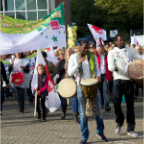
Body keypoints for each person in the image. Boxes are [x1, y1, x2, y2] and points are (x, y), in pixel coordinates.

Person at [68, 40, 108, 144]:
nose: (86, 50)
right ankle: (84, 136)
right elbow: (69, 72)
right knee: (82, 114)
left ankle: (100, 132)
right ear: (79, 47)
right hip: (81, 86)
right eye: (84, 48)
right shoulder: (74, 57)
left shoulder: (92, 56)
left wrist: (98, 76)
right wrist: (78, 63)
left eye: (88, 48)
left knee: (99, 111)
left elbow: (97, 69)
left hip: (94, 86)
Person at [108, 33, 142, 137]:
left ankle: (131, 129)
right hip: (118, 80)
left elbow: (139, 60)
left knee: (130, 106)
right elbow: (110, 66)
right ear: (116, 42)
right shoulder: (112, 52)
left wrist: (135, 67)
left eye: (123, 40)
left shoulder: (131, 50)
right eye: (120, 40)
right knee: (116, 103)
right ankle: (119, 122)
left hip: (129, 81)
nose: (122, 42)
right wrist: (115, 68)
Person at [95, 44, 112, 111]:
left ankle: (106, 105)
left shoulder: (108, 55)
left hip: (106, 75)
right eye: (98, 50)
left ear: (103, 49)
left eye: (100, 50)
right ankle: (101, 105)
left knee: (105, 90)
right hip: (98, 76)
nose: (99, 51)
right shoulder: (95, 56)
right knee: (100, 91)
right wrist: (97, 76)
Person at [65, 48, 80, 123]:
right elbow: (57, 71)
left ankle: (79, 113)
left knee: (78, 98)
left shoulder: (75, 60)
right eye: (68, 52)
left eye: (71, 52)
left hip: (77, 81)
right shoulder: (63, 62)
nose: (69, 53)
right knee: (73, 99)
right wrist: (63, 69)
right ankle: (75, 115)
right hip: (68, 84)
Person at [55, 50, 67, 119]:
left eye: (63, 54)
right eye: (60, 55)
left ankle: (76, 113)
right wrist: (63, 68)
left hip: (70, 81)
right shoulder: (60, 62)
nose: (62, 56)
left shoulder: (69, 61)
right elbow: (57, 71)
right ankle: (63, 111)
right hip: (61, 82)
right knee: (62, 98)